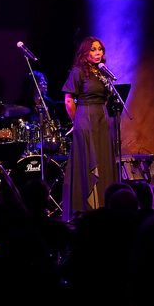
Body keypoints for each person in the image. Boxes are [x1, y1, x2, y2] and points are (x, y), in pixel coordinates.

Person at [62, 36, 116, 219]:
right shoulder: (78, 71)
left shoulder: (102, 72)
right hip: (86, 119)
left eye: (100, 49)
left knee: (103, 160)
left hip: (102, 120)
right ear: (85, 53)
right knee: (88, 162)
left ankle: (104, 205)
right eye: (93, 49)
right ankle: (85, 209)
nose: (98, 52)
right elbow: (68, 100)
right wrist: (78, 121)